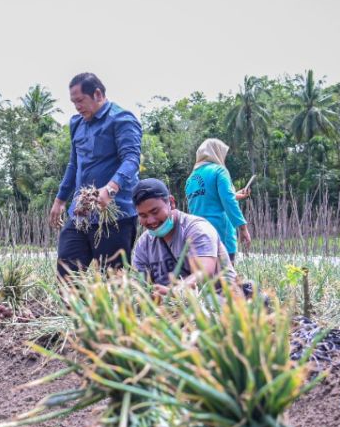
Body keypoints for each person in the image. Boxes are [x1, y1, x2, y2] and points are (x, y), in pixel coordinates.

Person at [49, 72, 143, 278]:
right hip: (80, 213)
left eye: (80, 100)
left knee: (113, 280)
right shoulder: (76, 123)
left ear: (98, 94)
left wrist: (110, 188)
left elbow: (131, 160)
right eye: (73, 102)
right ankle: (73, 311)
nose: (77, 106)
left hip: (115, 214)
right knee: (67, 272)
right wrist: (60, 200)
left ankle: (111, 311)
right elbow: (74, 164)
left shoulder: (121, 119)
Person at [131, 178, 237, 297]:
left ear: (171, 202)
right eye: (143, 215)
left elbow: (203, 273)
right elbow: (137, 284)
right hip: (170, 308)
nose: (151, 220)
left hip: (218, 300)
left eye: (155, 212)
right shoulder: (143, 244)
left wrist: (174, 292)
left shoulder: (197, 229)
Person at [184, 138, 252, 262]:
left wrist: (235, 194)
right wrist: (243, 228)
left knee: (204, 278)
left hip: (197, 233)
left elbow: (208, 198)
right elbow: (228, 201)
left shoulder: (191, 179)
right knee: (224, 278)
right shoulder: (219, 171)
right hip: (220, 233)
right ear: (216, 153)